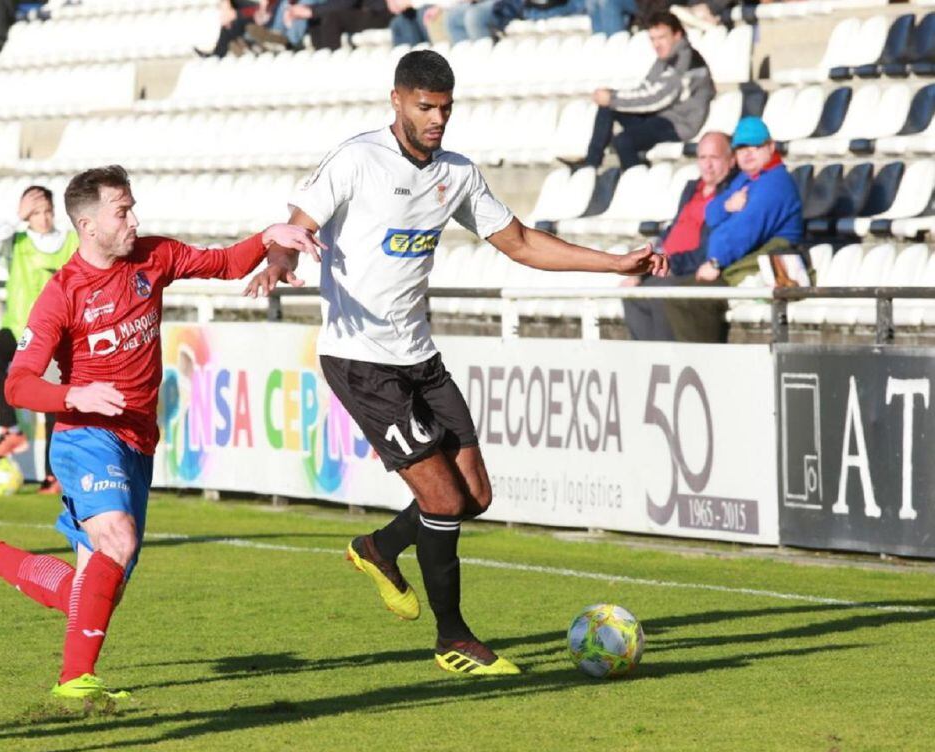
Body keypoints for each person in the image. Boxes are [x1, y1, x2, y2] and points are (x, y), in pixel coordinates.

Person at [246, 50, 667, 675]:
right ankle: (453, 637)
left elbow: (520, 243)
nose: (438, 119)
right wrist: (282, 260)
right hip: (361, 361)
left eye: (445, 108)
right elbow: (294, 226)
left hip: (421, 357)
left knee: (475, 496)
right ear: (397, 100)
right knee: (442, 503)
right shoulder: (357, 159)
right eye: (425, 107)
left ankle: (380, 547)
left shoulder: (457, 174)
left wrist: (613, 263)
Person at [0, 165, 320, 699]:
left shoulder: (151, 257)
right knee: (117, 537)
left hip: (138, 440)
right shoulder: (62, 294)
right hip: (85, 436)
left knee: (92, 589)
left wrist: (268, 238)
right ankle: (75, 683)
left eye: (133, 206)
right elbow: (19, 384)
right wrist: (75, 395)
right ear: (88, 226)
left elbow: (225, 263)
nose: (135, 219)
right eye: (123, 211)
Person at [663, 116, 804, 342]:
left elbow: (745, 231)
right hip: (739, 263)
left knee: (686, 298)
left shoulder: (774, 183)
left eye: (755, 147)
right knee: (676, 294)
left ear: (770, 147)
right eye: (740, 149)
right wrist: (727, 206)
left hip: (757, 266)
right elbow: (711, 214)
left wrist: (715, 261)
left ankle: (705, 365)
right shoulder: (748, 179)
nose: (747, 154)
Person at [0, 186, 78, 494]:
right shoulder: (17, 242)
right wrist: (15, 217)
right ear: (25, 215)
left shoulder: (70, 242)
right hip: (19, 328)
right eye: (35, 212)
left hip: (55, 335)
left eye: (47, 210)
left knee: (50, 403)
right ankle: (11, 428)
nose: (43, 217)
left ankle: (53, 474)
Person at [622, 131, 736, 340]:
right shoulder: (692, 188)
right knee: (630, 292)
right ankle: (646, 360)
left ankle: (666, 363)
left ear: (730, 160)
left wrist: (670, 264)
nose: (707, 165)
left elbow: (710, 247)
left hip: (689, 269)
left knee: (660, 293)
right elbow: (673, 230)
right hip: (668, 265)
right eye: (702, 158)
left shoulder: (731, 193)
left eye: (714, 158)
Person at [577, 11, 715, 171]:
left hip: (678, 124)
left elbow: (659, 97)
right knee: (608, 108)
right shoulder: (667, 57)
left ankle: (636, 181)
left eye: (662, 37)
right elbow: (646, 88)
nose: (656, 44)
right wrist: (612, 98)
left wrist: (613, 98)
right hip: (661, 116)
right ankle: (590, 165)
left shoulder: (685, 61)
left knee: (624, 140)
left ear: (677, 35)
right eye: (653, 39)